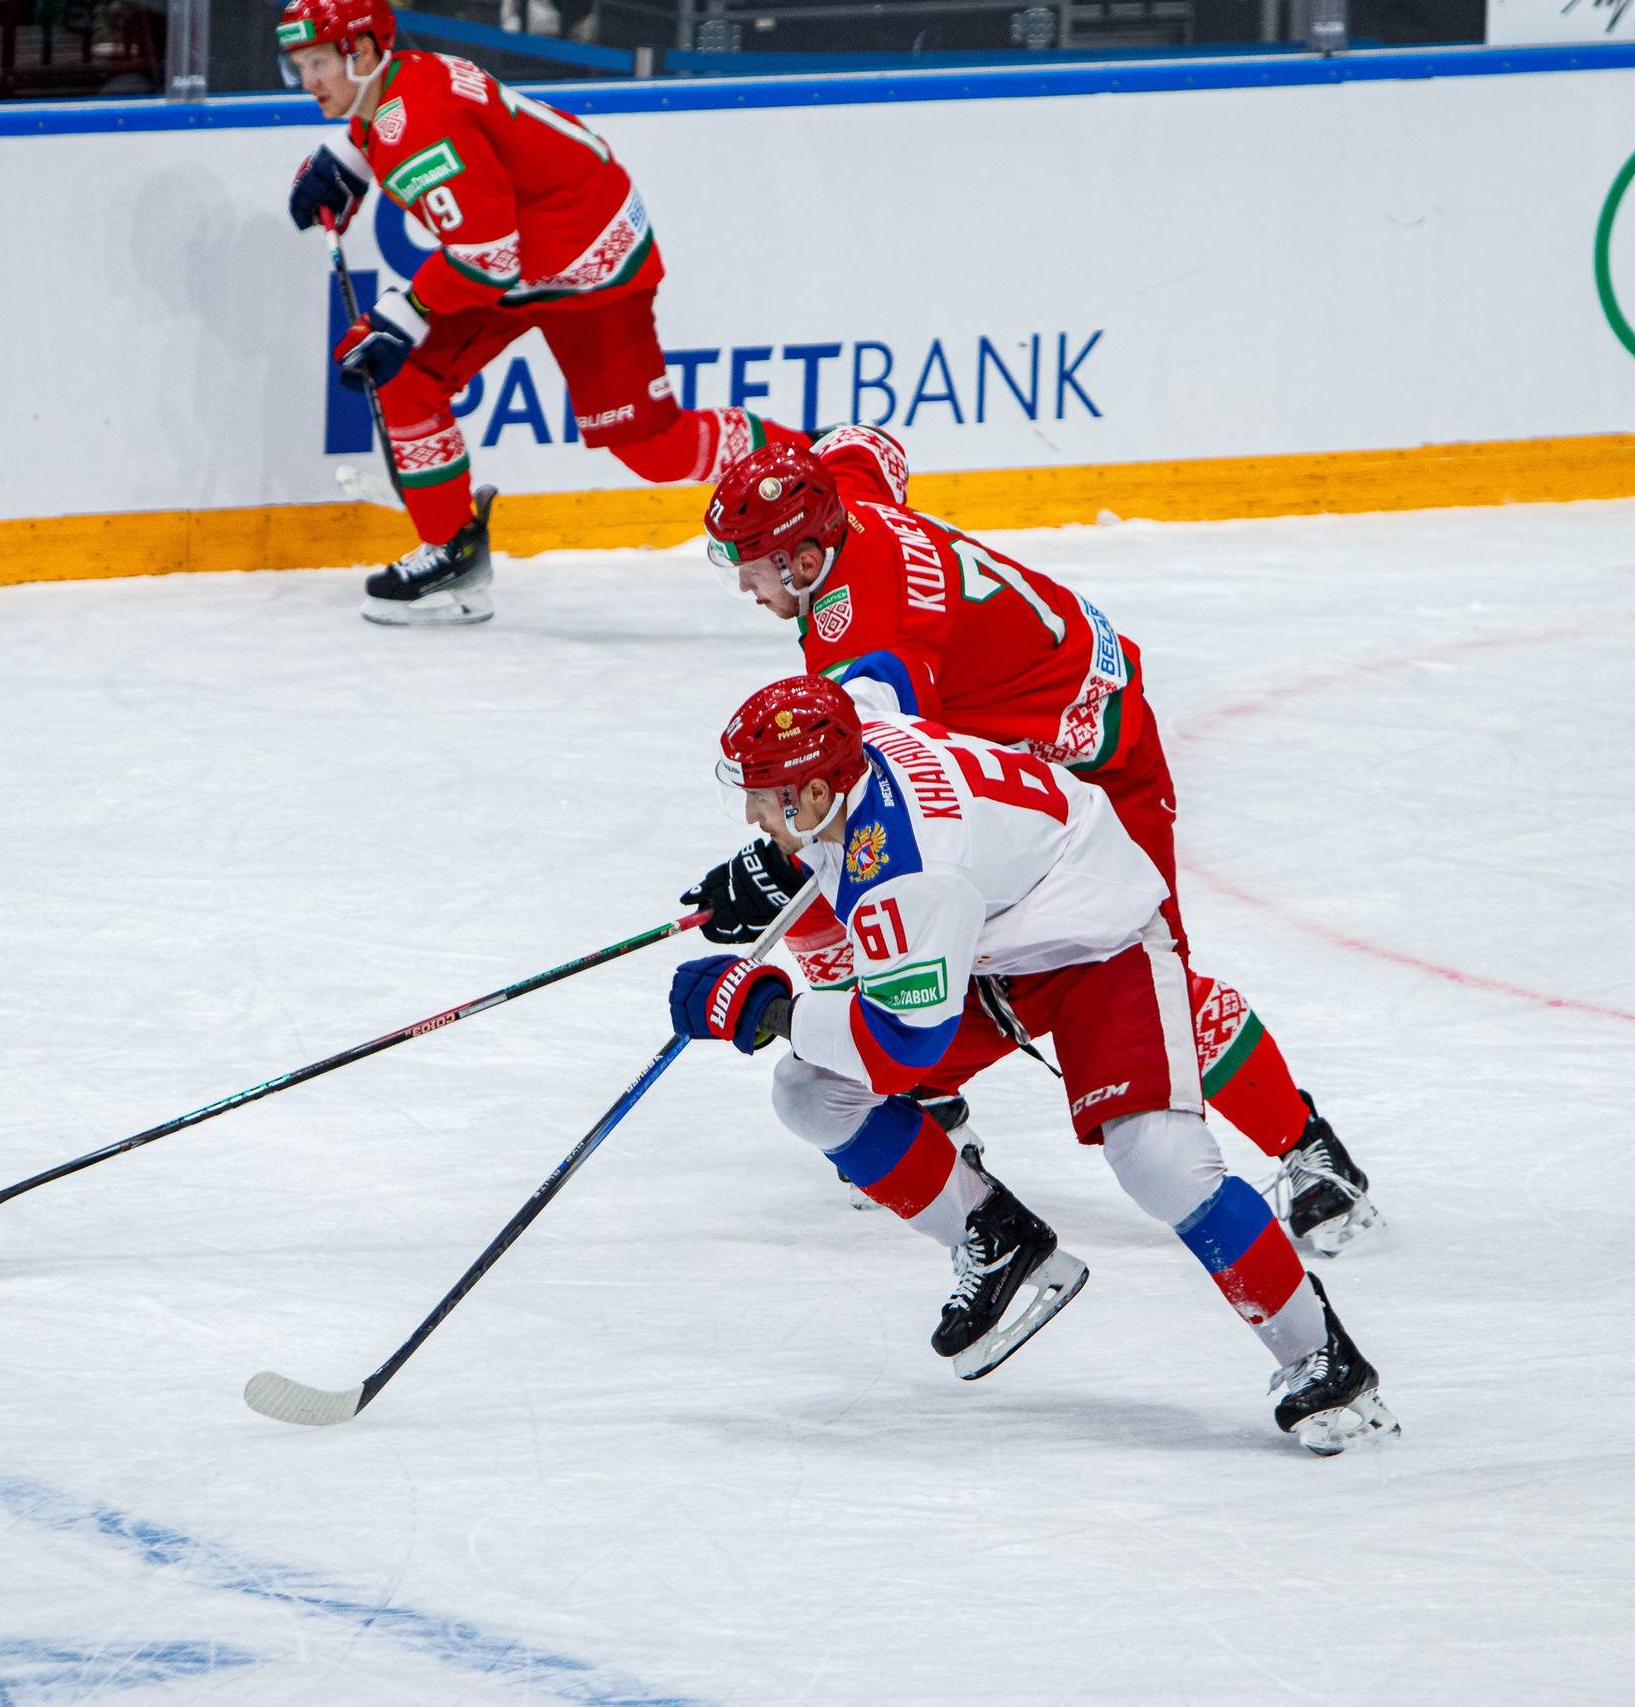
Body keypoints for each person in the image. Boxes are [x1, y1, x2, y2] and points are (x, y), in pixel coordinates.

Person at [683, 431, 1379, 1252]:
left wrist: (775, 862)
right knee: (933, 936)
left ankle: (1310, 1148)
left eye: (752, 567)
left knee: (1137, 983)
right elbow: (869, 447)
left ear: (804, 561)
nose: (743, 585)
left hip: (1097, 766)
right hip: (1039, 727)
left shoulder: (868, 647)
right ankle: (928, 1092)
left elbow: (882, 786)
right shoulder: (842, 496)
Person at [668, 675, 1397, 1452]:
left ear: (819, 787)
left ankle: (1322, 1355)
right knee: (811, 1094)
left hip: (1096, 942)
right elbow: (878, 680)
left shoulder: (914, 868)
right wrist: (786, 861)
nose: (754, 814)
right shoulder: (860, 744)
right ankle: (994, 1233)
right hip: (992, 945)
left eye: (767, 796)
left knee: (1160, 1160)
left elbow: (901, 1045)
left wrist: (768, 1011)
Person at [278, 0, 806, 625]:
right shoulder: (398, 81)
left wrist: (403, 314)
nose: (307, 80)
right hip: (520, 250)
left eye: (318, 62)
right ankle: (453, 552)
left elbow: (486, 260)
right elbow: (392, 132)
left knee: (654, 450)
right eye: (299, 65)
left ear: (362, 53)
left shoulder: (423, 122)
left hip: (584, 257)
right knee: (407, 376)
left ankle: (821, 464)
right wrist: (348, 165)